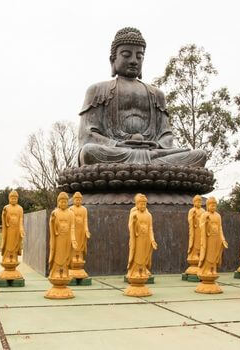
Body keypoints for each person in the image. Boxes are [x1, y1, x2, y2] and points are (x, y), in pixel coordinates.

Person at [78, 27, 206, 167]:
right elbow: (87, 135)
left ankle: (144, 166)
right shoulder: (98, 90)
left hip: (153, 153)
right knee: (89, 152)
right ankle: (148, 168)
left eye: (139, 56)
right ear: (112, 60)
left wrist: (157, 144)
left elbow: (166, 135)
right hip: (116, 152)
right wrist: (117, 143)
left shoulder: (157, 94)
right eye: (126, 55)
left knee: (198, 155)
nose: (134, 61)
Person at [127, 194, 157, 278]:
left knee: (145, 254)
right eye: (141, 204)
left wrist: (152, 240)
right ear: (136, 204)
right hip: (138, 238)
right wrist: (134, 222)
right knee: (138, 254)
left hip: (146, 238)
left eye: (144, 204)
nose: (143, 205)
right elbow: (130, 226)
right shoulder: (134, 214)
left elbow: (150, 228)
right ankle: (135, 271)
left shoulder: (149, 215)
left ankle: (143, 270)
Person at [1, 190, 25, 264]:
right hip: (9, 230)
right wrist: (4, 215)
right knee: (8, 243)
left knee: (15, 244)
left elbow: (21, 219)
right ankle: (7, 257)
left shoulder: (20, 208)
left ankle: (14, 257)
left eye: (15, 198)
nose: (13, 200)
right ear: (9, 198)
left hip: (16, 230)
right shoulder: (6, 208)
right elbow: (4, 219)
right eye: (12, 198)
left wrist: (21, 228)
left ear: (17, 199)